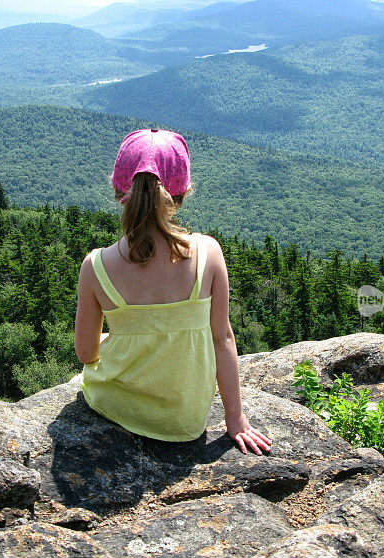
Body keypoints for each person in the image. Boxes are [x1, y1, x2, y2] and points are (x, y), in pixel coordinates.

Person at [74, 128, 272, 455]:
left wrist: (119, 337)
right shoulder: (208, 254)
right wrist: (234, 419)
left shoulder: (95, 266)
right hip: (184, 423)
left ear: (120, 189)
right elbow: (221, 339)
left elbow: (86, 354)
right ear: (180, 194)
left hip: (114, 408)